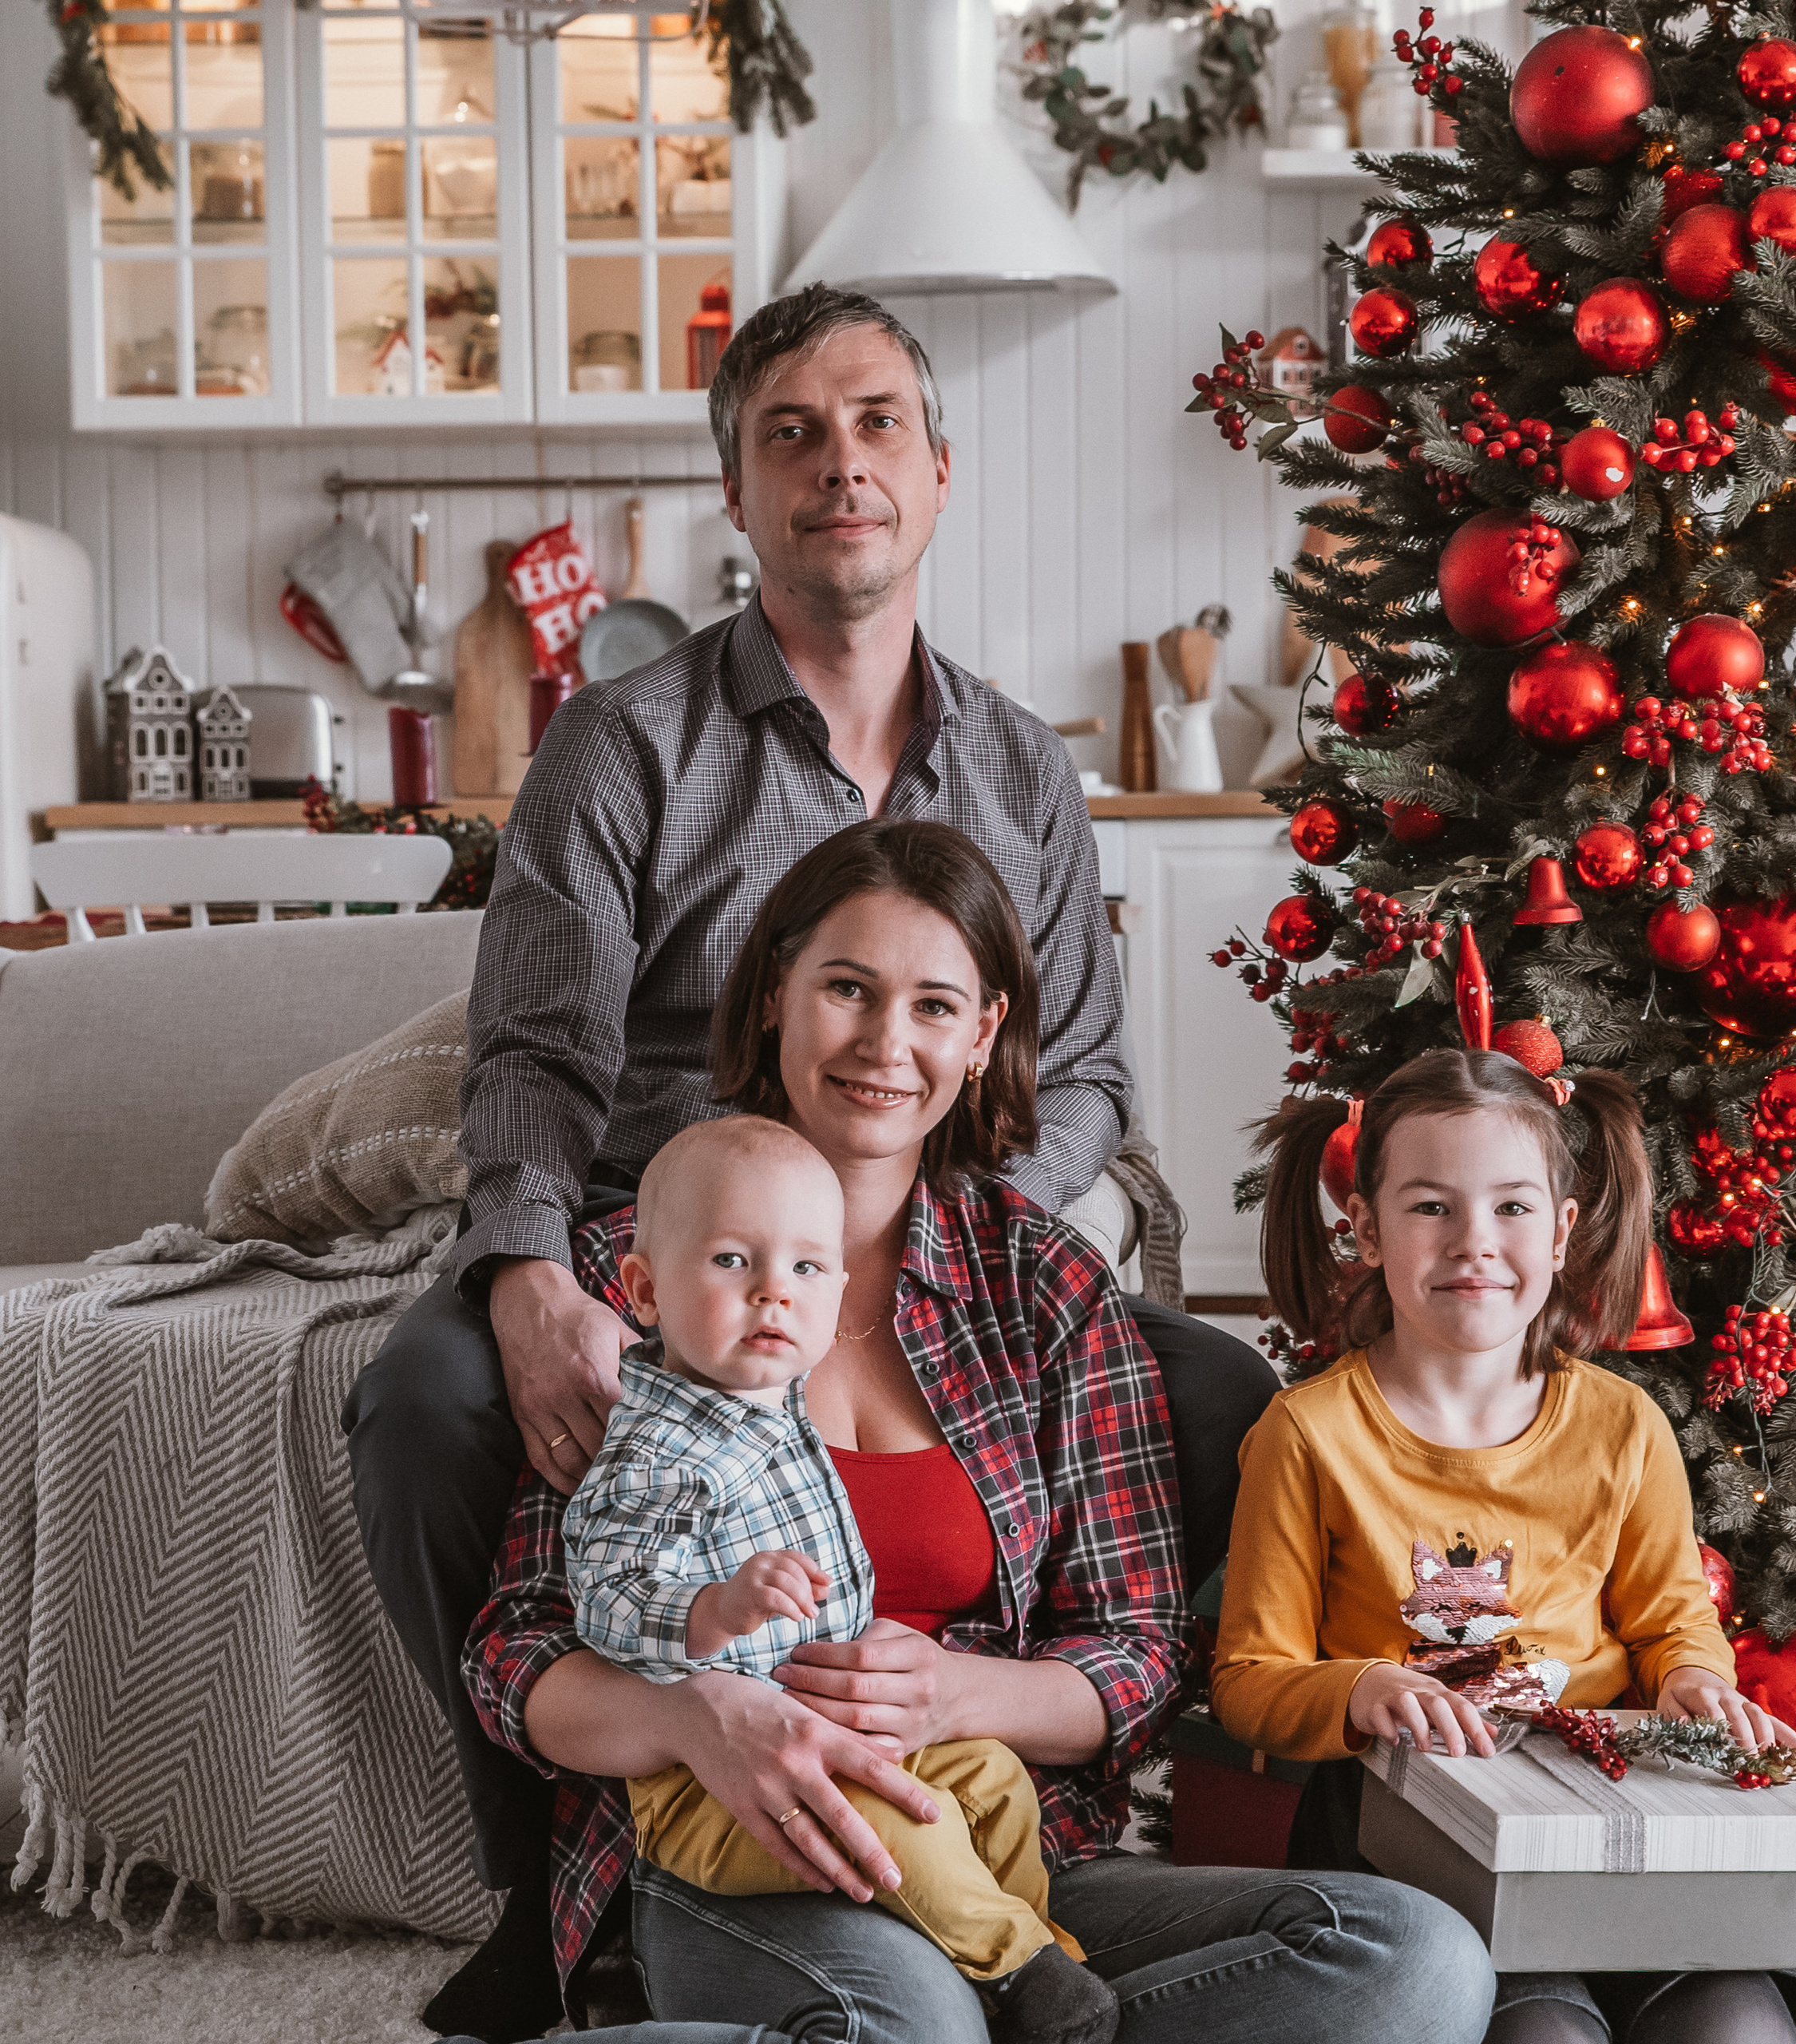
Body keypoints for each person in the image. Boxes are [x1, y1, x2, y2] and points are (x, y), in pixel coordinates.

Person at [340, 283, 1276, 2035]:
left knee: (1224, 1391)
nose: (838, 463)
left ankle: (1052, 1810)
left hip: (944, 1218)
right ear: (739, 492)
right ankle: (552, 1870)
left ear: (936, 472)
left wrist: (968, 1243)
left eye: (873, 426)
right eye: (790, 434)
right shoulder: (622, 743)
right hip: (667, 1230)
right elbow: (535, 1055)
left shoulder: (1022, 768)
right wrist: (531, 1278)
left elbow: (1085, 1072)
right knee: (424, 1398)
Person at [464, 820, 1498, 2044]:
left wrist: (960, 1694)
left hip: (1007, 1852)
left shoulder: (1043, 1285)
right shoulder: (632, 1282)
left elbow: (1141, 1657)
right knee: (927, 2027)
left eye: (934, 1006)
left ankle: (1000, 2006)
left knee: (1416, 1963)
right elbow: (517, 1649)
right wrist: (697, 1715)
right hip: (747, 1845)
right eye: (847, 989)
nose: (885, 1043)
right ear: (775, 997)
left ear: (983, 1036)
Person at [1211, 1048, 1796, 2044]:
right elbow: (1246, 1681)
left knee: (1736, 2027)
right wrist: (1360, 1688)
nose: (1474, 1242)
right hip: (1412, 1835)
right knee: (1543, 2034)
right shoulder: (1307, 1435)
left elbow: (1672, 1621)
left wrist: (1693, 1680)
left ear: (1562, 1228)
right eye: (1429, 1206)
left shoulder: (1624, 1425)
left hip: (1603, 1810)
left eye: (1511, 1207)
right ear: (1365, 1226)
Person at [563, 1114, 1118, 2043]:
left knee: (990, 1777)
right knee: (900, 1822)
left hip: (844, 1735)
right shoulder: (657, 1451)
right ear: (645, 1291)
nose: (773, 1293)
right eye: (732, 1261)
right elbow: (607, 1599)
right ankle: (1017, 1964)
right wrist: (713, 1609)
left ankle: (1034, 1953)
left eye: (807, 1269)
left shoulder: (772, 1405)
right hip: (713, 1790)